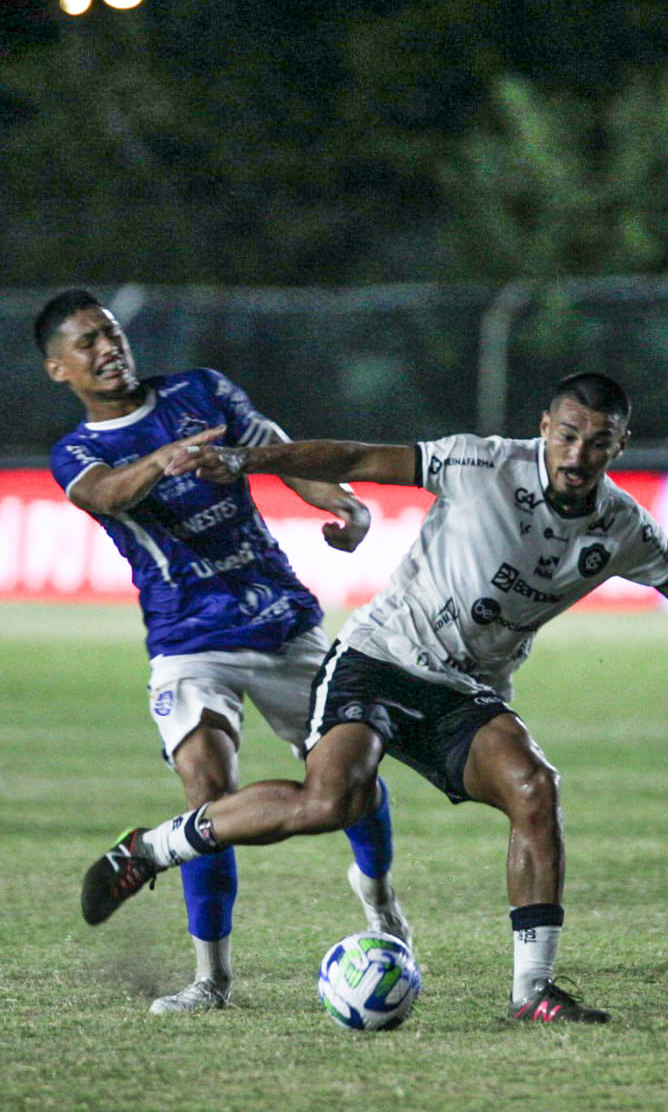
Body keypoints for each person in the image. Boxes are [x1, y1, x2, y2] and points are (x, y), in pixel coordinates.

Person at [81, 371, 668, 1024]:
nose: (578, 454)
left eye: (599, 442)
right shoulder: (481, 463)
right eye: (568, 435)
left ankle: (532, 991)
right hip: (379, 658)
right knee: (330, 801)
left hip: (466, 692)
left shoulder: (619, 525)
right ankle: (153, 848)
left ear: (619, 447)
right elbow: (354, 458)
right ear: (545, 428)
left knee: (535, 787)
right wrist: (246, 460)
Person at [38, 288, 410, 1014]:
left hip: (280, 620)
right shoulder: (78, 451)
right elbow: (109, 494)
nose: (107, 349)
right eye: (87, 343)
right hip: (187, 639)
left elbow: (279, 455)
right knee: (205, 791)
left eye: (111, 334)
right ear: (59, 369)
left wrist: (344, 503)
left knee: (351, 780)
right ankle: (211, 980)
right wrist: (170, 457)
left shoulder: (201, 391)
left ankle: (379, 897)